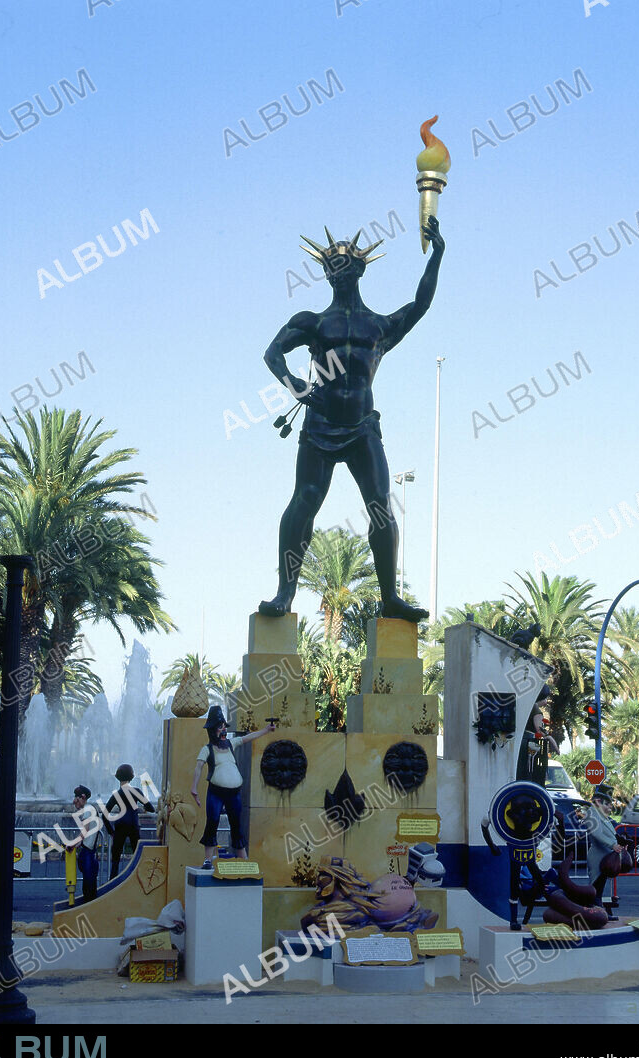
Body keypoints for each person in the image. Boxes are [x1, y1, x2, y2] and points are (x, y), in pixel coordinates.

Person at [258, 217, 445, 624]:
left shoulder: (377, 326)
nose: (337, 273)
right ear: (325, 273)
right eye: (331, 267)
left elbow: (421, 304)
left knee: (381, 506)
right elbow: (272, 353)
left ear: (360, 270)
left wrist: (437, 256)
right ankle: (285, 592)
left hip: (362, 427)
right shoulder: (314, 322)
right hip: (320, 424)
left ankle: (390, 598)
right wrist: (292, 383)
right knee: (303, 501)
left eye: (344, 266)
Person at [191, 705, 275, 868]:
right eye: (219, 727)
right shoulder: (207, 749)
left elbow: (249, 737)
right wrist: (194, 787)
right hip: (216, 792)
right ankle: (208, 859)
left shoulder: (231, 744)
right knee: (213, 821)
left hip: (234, 793)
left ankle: (243, 859)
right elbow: (198, 767)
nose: (223, 731)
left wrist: (266, 730)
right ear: (212, 730)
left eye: (224, 727)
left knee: (236, 823)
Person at [104, 764, 156, 878]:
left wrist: (110, 831)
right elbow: (151, 808)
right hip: (133, 825)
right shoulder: (136, 791)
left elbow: (104, 815)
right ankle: (137, 880)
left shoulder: (116, 794)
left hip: (120, 826)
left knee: (115, 860)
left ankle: (112, 884)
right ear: (131, 777)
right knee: (137, 857)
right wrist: (142, 808)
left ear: (118, 777)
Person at [586, 784, 624, 903]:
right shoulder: (592, 814)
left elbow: (609, 833)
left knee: (600, 886)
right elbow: (597, 834)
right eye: (607, 804)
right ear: (598, 801)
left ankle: (599, 909)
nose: (610, 807)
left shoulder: (601, 815)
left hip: (605, 856)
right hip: (598, 856)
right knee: (596, 885)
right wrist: (612, 845)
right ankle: (596, 910)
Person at [72, 784, 100, 903]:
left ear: (82, 797)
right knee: (90, 880)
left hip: (88, 851)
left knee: (88, 883)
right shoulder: (91, 809)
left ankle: (88, 904)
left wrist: (72, 844)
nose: (74, 801)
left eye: (76, 798)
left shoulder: (88, 810)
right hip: (90, 850)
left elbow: (85, 831)